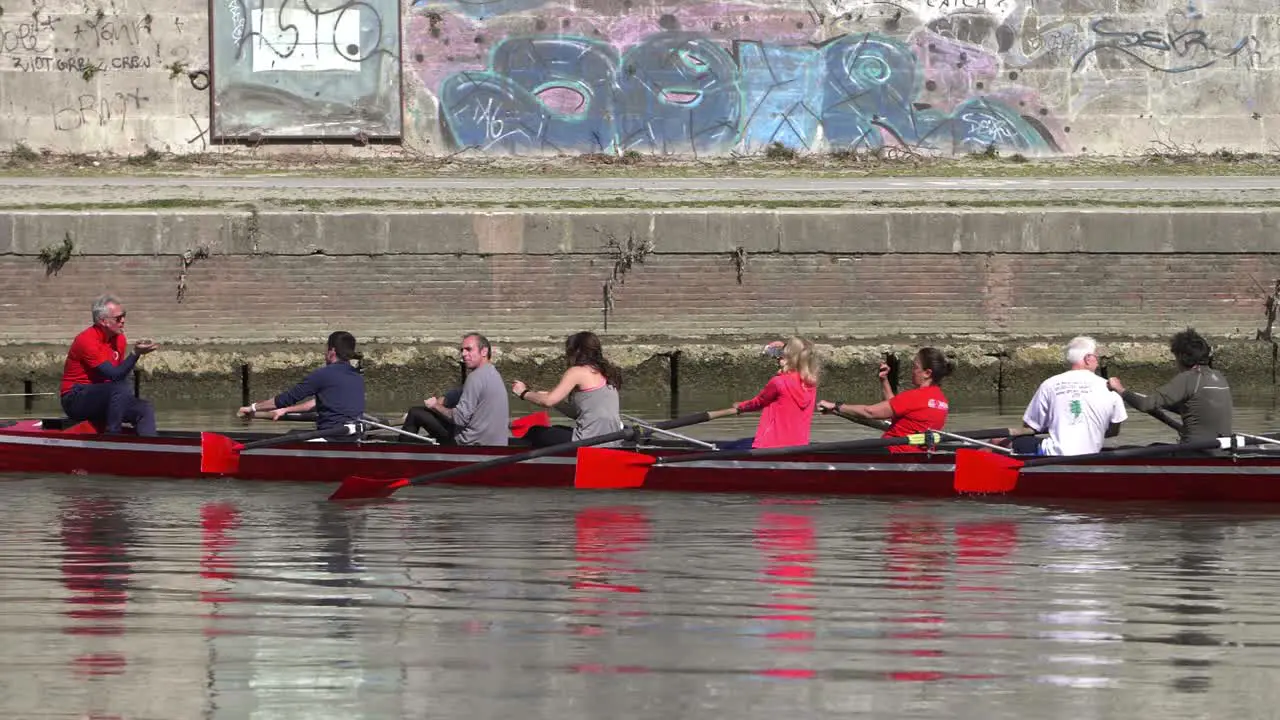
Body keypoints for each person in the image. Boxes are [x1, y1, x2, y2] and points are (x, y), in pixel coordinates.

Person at [1106, 328, 1232, 444]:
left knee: (1148, 448)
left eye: (1175, 357)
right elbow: (1192, 410)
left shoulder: (1189, 378)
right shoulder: (1218, 376)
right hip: (1220, 448)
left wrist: (1120, 390)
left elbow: (1145, 405)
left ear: (1182, 357)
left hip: (1197, 451)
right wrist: (1146, 400)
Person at [818, 347, 953, 454]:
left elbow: (870, 412)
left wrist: (837, 405)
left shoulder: (916, 397)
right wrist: (884, 380)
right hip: (917, 455)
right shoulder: (942, 400)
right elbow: (894, 408)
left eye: (915, 367)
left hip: (893, 453)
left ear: (927, 373)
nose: (912, 371)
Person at [59, 294, 159, 436]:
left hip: (106, 395)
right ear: (103, 321)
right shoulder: (87, 340)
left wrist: (129, 401)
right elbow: (113, 375)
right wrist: (135, 354)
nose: (123, 321)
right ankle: (113, 437)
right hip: (75, 399)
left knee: (144, 408)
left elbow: (120, 375)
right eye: (118, 318)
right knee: (118, 388)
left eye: (124, 316)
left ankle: (150, 450)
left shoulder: (119, 339)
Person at [1014, 335, 1127, 456]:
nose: (1097, 362)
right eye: (1096, 357)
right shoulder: (1110, 387)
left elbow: (1029, 428)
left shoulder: (1049, 384)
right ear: (1088, 358)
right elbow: (1114, 431)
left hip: (1054, 454)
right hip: (1091, 454)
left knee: (998, 441)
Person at [238, 331, 365, 435]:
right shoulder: (357, 376)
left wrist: (252, 407)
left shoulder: (323, 374)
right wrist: (285, 410)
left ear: (332, 351)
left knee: (292, 435)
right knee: (296, 432)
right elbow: (316, 403)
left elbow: (286, 399)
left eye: (326, 351)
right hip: (355, 436)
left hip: (331, 437)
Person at [511, 331, 622, 447]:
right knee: (557, 429)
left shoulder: (577, 371)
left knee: (535, 431)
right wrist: (557, 402)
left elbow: (548, 401)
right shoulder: (608, 372)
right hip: (613, 440)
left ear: (576, 351)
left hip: (590, 442)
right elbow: (578, 414)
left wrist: (524, 393)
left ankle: (511, 454)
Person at [402, 333, 510, 446]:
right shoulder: (491, 372)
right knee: (429, 432)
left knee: (415, 413)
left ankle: (400, 455)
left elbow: (459, 418)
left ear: (484, 351)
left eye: (469, 349)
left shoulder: (475, 377)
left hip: (471, 443)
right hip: (496, 443)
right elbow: (460, 393)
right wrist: (441, 402)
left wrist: (435, 406)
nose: (463, 354)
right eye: (462, 350)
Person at [714, 337, 819, 449]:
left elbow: (758, 402)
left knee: (725, 448)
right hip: (798, 444)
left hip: (769, 445)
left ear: (787, 357)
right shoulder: (810, 383)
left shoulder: (778, 382)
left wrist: (740, 406)